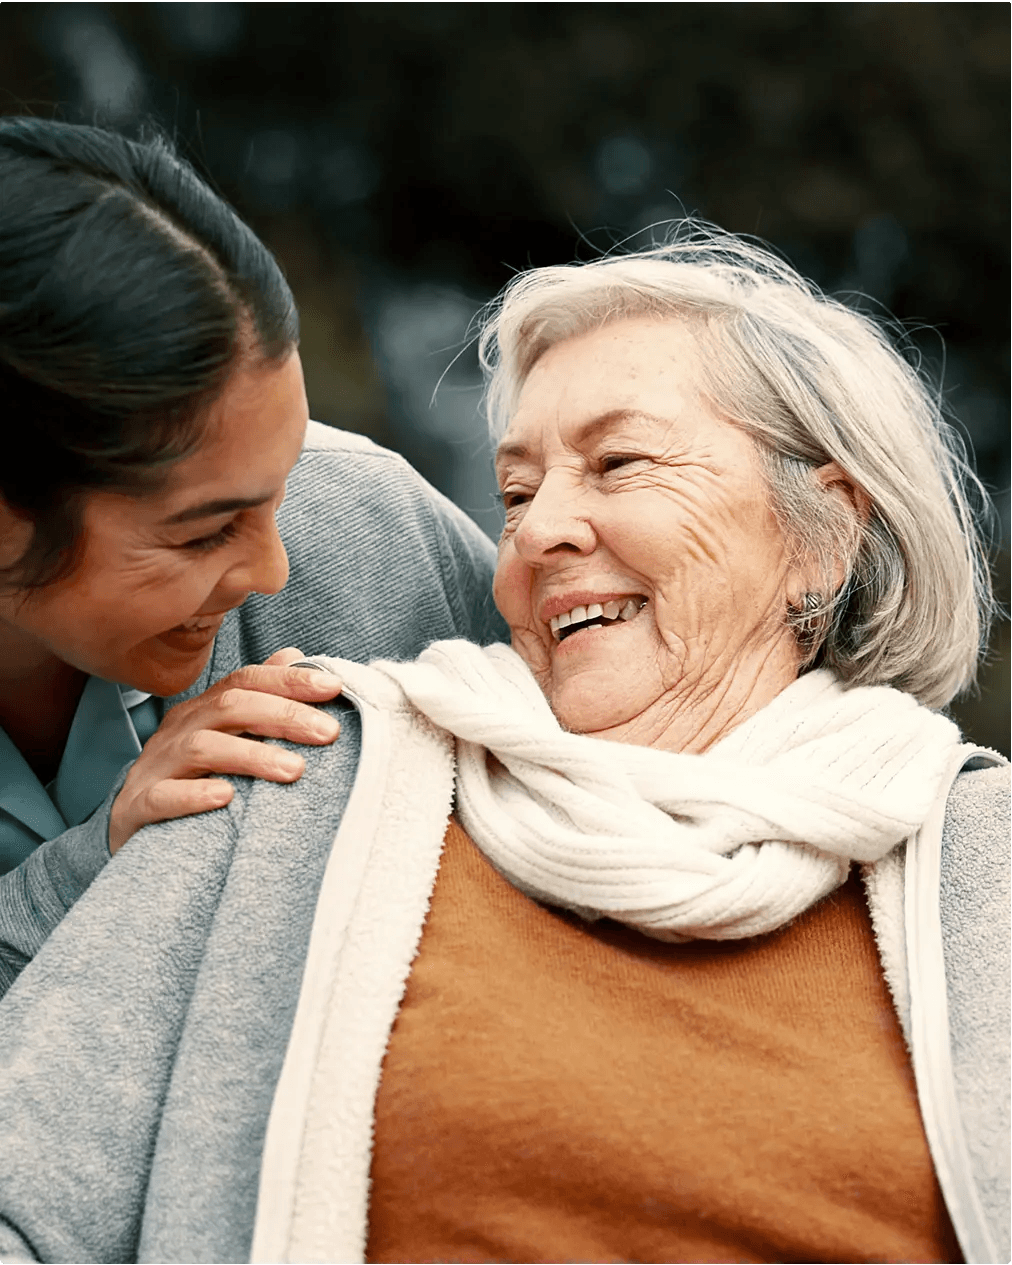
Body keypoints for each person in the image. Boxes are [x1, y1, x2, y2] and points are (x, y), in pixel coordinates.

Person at [0, 226, 1007, 1265]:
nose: (532, 532)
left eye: (617, 463)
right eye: (517, 493)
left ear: (824, 533)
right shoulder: (296, 766)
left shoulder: (980, 856)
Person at [0, 116, 505, 995]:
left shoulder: (362, 528)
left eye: (280, 482)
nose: (273, 569)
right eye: (201, 533)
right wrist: (103, 864)